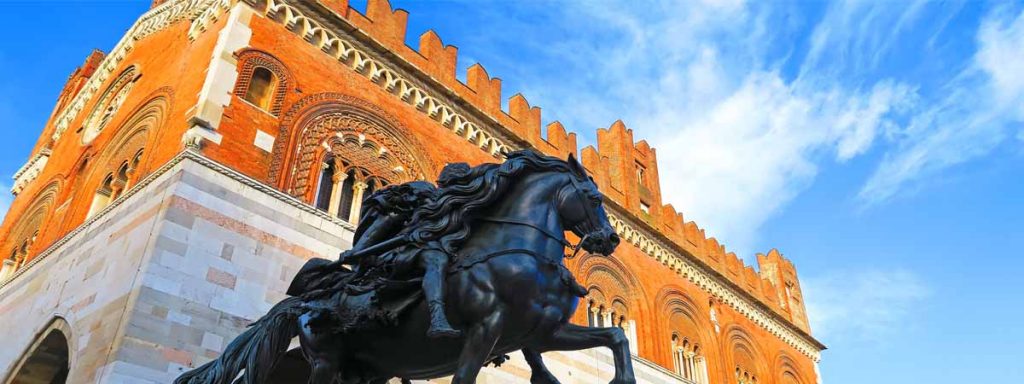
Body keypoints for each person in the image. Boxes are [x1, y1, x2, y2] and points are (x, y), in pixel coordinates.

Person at [324, 162, 472, 338]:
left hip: (438, 249)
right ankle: (437, 318)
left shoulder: (461, 207)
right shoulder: (425, 192)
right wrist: (360, 249)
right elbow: (388, 218)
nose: (459, 186)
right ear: (446, 181)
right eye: (457, 181)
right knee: (436, 260)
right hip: (404, 250)